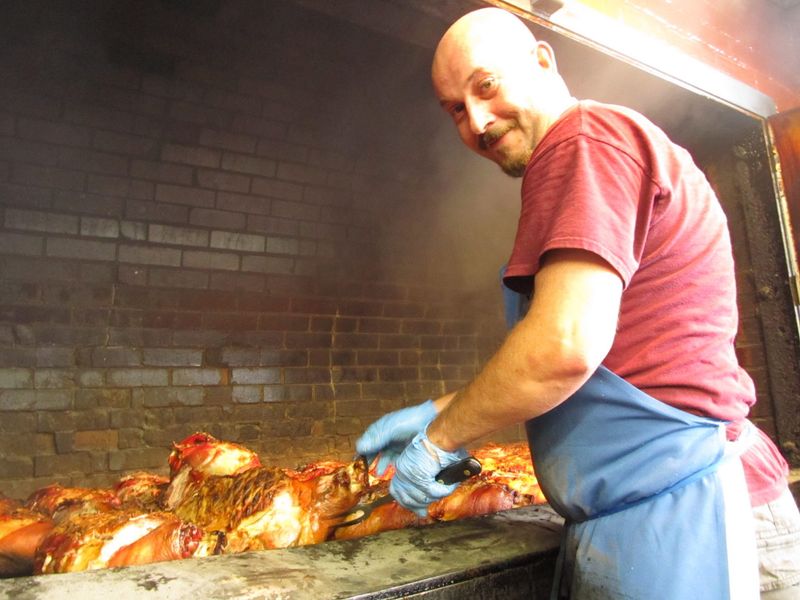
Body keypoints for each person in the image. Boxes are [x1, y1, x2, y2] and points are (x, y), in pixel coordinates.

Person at [355, 7, 800, 599]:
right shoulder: (595, 150)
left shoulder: (583, 142)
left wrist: (439, 440)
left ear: (542, 61)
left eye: (486, 86)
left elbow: (563, 348)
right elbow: (598, 366)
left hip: (689, 514)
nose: (478, 121)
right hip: (654, 512)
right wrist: (438, 411)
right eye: (456, 110)